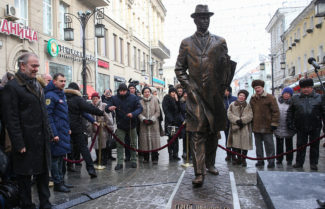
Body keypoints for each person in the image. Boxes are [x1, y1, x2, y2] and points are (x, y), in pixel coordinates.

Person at [174, 5, 236, 186]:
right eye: (201, 18)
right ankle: (199, 172)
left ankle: (210, 163)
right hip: (195, 96)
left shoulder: (219, 41)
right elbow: (179, 68)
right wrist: (188, 86)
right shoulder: (186, 43)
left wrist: (223, 85)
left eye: (207, 17)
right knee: (197, 133)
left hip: (214, 95)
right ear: (195, 20)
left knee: (213, 132)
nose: (204, 20)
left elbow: (225, 66)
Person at [2, 52, 52, 209]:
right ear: (22, 65)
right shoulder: (12, 87)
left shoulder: (37, 84)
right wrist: (19, 143)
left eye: (38, 65)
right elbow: (11, 119)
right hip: (25, 141)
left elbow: (44, 113)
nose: (37, 69)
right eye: (34, 66)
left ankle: (45, 204)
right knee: (24, 178)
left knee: (43, 174)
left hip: (41, 140)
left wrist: (49, 134)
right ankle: (27, 205)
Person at [64, 82, 104, 178]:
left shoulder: (63, 97)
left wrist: (92, 120)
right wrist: (101, 112)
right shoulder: (77, 99)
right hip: (76, 127)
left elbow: (83, 112)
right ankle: (91, 170)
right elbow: (88, 108)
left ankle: (67, 168)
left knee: (67, 148)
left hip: (64, 127)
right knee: (83, 148)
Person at [287, 78, 325, 170]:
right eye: (303, 87)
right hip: (301, 126)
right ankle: (299, 162)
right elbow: (290, 112)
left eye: (308, 87)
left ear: (312, 88)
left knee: (315, 146)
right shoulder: (295, 98)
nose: (306, 89)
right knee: (300, 145)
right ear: (301, 88)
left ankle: (313, 163)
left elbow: (324, 112)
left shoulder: (319, 97)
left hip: (315, 126)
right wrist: (290, 124)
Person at [105, 83, 143, 170]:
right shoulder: (114, 98)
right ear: (118, 91)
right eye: (121, 91)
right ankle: (120, 162)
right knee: (120, 144)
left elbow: (140, 108)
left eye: (124, 91)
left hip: (131, 124)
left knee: (133, 143)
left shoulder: (133, 97)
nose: (122, 92)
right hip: (120, 125)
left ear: (127, 90)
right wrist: (109, 108)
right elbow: (107, 107)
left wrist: (133, 114)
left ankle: (133, 160)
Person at [44, 73, 71, 193]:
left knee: (61, 158)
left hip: (63, 131)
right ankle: (57, 183)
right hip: (56, 133)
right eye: (61, 81)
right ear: (54, 82)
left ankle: (61, 181)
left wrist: (68, 127)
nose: (64, 83)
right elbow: (48, 116)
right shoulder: (50, 95)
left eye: (65, 81)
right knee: (55, 160)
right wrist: (53, 134)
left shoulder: (61, 94)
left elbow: (64, 114)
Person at [249, 79, 280, 168]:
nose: (257, 89)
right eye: (255, 88)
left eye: (258, 87)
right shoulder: (253, 98)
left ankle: (271, 161)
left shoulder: (270, 97)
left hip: (267, 126)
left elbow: (276, 112)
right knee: (258, 146)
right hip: (256, 126)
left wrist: (274, 123)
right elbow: (250, 112)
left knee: (269, 145)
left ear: (262, 87)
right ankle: (260, 160)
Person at [227, 90, 253, 167]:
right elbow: (229, 113)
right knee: (236, 144)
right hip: (235, 127)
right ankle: (237, 158)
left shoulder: (248, 105)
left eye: (243, 96)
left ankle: (243, 159)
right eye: (240, 95)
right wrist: (236, 120)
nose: (241, 97)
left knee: (245, 145)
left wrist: (242, 121)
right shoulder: (232, 104)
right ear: (238, 96)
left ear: (245, 97)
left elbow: (250, 115)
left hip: (245, 128)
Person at [90, 92, 114, 166]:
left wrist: (109, 126)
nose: (95, 100)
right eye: (93, 99)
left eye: (96, 98)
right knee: (96, 144)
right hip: (94, 128)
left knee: (103, 144)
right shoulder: (90, 106)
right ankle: (98, 158)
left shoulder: (104, 105)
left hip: (103, 128)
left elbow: (109, 117)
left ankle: (104, 159)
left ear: (98, 98)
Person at [138, 87, 161, 164]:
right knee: (144, 141)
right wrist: (143, 119)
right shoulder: (140, 101)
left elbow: (158, 111)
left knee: (154, 141)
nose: (147, 93)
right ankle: (146, 158)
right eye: (145, 92)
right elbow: (139, 112)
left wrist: (152, 119)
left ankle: (155, 158)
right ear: (143, 93)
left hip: (154, 124)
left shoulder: (155, 100)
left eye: (148, 92)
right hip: (144, 125)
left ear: (150, 92)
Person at [274, 87, 295, 166]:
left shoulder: (293, 102)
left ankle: (289, 159)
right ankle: (279, 159)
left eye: (288, 94)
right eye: (285, 93)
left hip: (288, 127)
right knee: (279, 144)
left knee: (289, 145)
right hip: (279, 126)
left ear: (290, 95)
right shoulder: (277, 102)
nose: (286, 95)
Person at [162, 87, 183, 161]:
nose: (174, 93)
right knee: (171, 138)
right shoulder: (166, 98)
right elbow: (166, 110)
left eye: (175, 92)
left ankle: (175, 154)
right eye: (172, 92)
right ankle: (170, 154)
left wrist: (177, 101)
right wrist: (171, 120)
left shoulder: (176, 99)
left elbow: (180, 110)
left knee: (175, 138)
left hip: (176, 123)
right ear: (169, 92)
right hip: (170, 123)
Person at [223, 87, 237, 162]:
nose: (225, 92)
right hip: (225, 123)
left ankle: (234, 155)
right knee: (227, 139)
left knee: (234, 139)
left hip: (233, 122)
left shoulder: (234, 99)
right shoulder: (221, 99)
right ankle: (228, 154)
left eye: (226, 91)